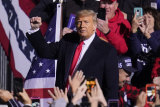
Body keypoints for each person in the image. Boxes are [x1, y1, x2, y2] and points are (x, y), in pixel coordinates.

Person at [27, 10, 119, 100]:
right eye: (79, 22)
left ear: (95, 25)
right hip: (62, 99)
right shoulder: (68, 40)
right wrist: (35, 29)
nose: (82, 26)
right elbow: (45, 51)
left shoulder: (107, 50)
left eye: (86, 22)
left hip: (87, 102)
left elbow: (111, 88)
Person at [129, 7, 160, 88]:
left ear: (155, 20)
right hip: (138, 81)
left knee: (151, 100)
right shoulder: (136, 36)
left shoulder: (159, 35)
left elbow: (158, 51)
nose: (146, 19)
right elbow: (136, 52)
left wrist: (148, 35)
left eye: (149, 17)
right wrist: (133, 30)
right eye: (144, 16)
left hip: (154, 82)